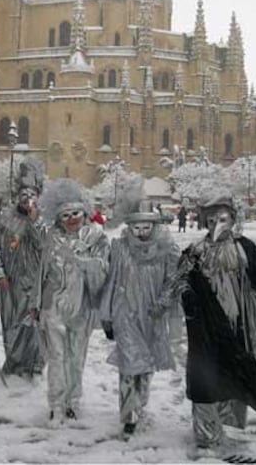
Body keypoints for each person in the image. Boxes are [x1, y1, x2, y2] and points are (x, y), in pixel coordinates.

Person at [176, 194, 256, 458]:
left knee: (236, 369)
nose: (216, 224)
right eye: (211, 219)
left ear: (232, 219)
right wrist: (189, 298)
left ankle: (227, 422)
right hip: (206, 325)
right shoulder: (195, 250)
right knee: (204, 374)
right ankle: (206, 434)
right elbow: (179, 281)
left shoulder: (245, 247)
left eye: (222, 218)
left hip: (239, 322)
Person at [100, 178, 181, 437]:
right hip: (125, 314)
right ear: (129, 226)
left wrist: (163, 303)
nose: (141, 231)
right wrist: (107, 316)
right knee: (128, 365)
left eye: (146, 226)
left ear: (155, 225)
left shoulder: (167, 250)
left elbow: (174, 281)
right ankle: (128, 415)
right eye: (136, 227)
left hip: (152, 316)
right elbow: (111, 281)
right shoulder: (120, 248)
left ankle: (140, 403)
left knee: (145, 367)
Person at [30, 178, 110, 427]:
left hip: (82, 306)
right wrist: (35, 303)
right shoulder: (51, 238)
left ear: (84, 212)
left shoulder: (96, 237)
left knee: (76, 358)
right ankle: (55, 406)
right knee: (56, 356)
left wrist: (80, 261)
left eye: (76, 213)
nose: (72, 218)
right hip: (52, 305)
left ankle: (73, 402)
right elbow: (41, 272)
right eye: (65, 215)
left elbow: (104, 268)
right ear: (59, 218)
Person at [0, 157, 46, 377]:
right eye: (23, 194)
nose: (27, 199)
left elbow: (46, 247)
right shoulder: (4, 219)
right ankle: (14, 363)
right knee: (12, 324)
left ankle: (35, 364)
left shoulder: (44, 220)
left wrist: (35, 222)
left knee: (35, 325)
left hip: (36, 284)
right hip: (11, 284)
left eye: (32, 195)